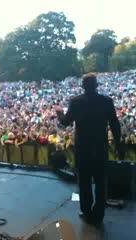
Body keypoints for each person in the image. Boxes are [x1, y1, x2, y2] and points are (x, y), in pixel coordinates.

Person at [56, 73, 121, 225]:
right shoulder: (106, 101)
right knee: (100, 181)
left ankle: (86, 211)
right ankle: (99, 213)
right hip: (100, 146)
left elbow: (65, 122)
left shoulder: (76, 101)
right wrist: (118, 144)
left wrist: (59, 113)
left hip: (82, 148)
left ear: (83, 86)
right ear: (96, 85)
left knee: (84, 181)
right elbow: (115, 124)